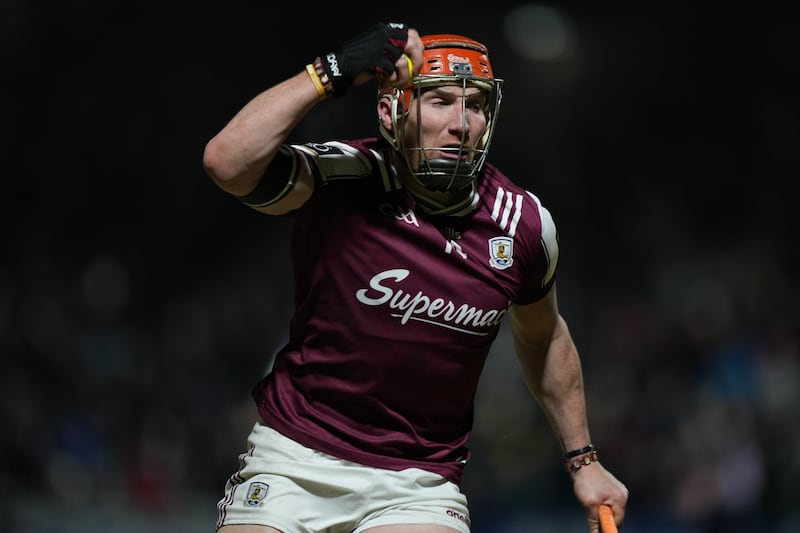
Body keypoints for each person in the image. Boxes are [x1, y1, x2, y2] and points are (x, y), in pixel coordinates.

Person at [203, 21, 629, 533]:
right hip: (294, 459)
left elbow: (544, 336)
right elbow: (228, 162)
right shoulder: (348, 177)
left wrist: (584, 462)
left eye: (475, 106)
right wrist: (328, 74)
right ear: (390, 110)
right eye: (440, 101)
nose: (461, 123)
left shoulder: (524, 226)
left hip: (417, 484)